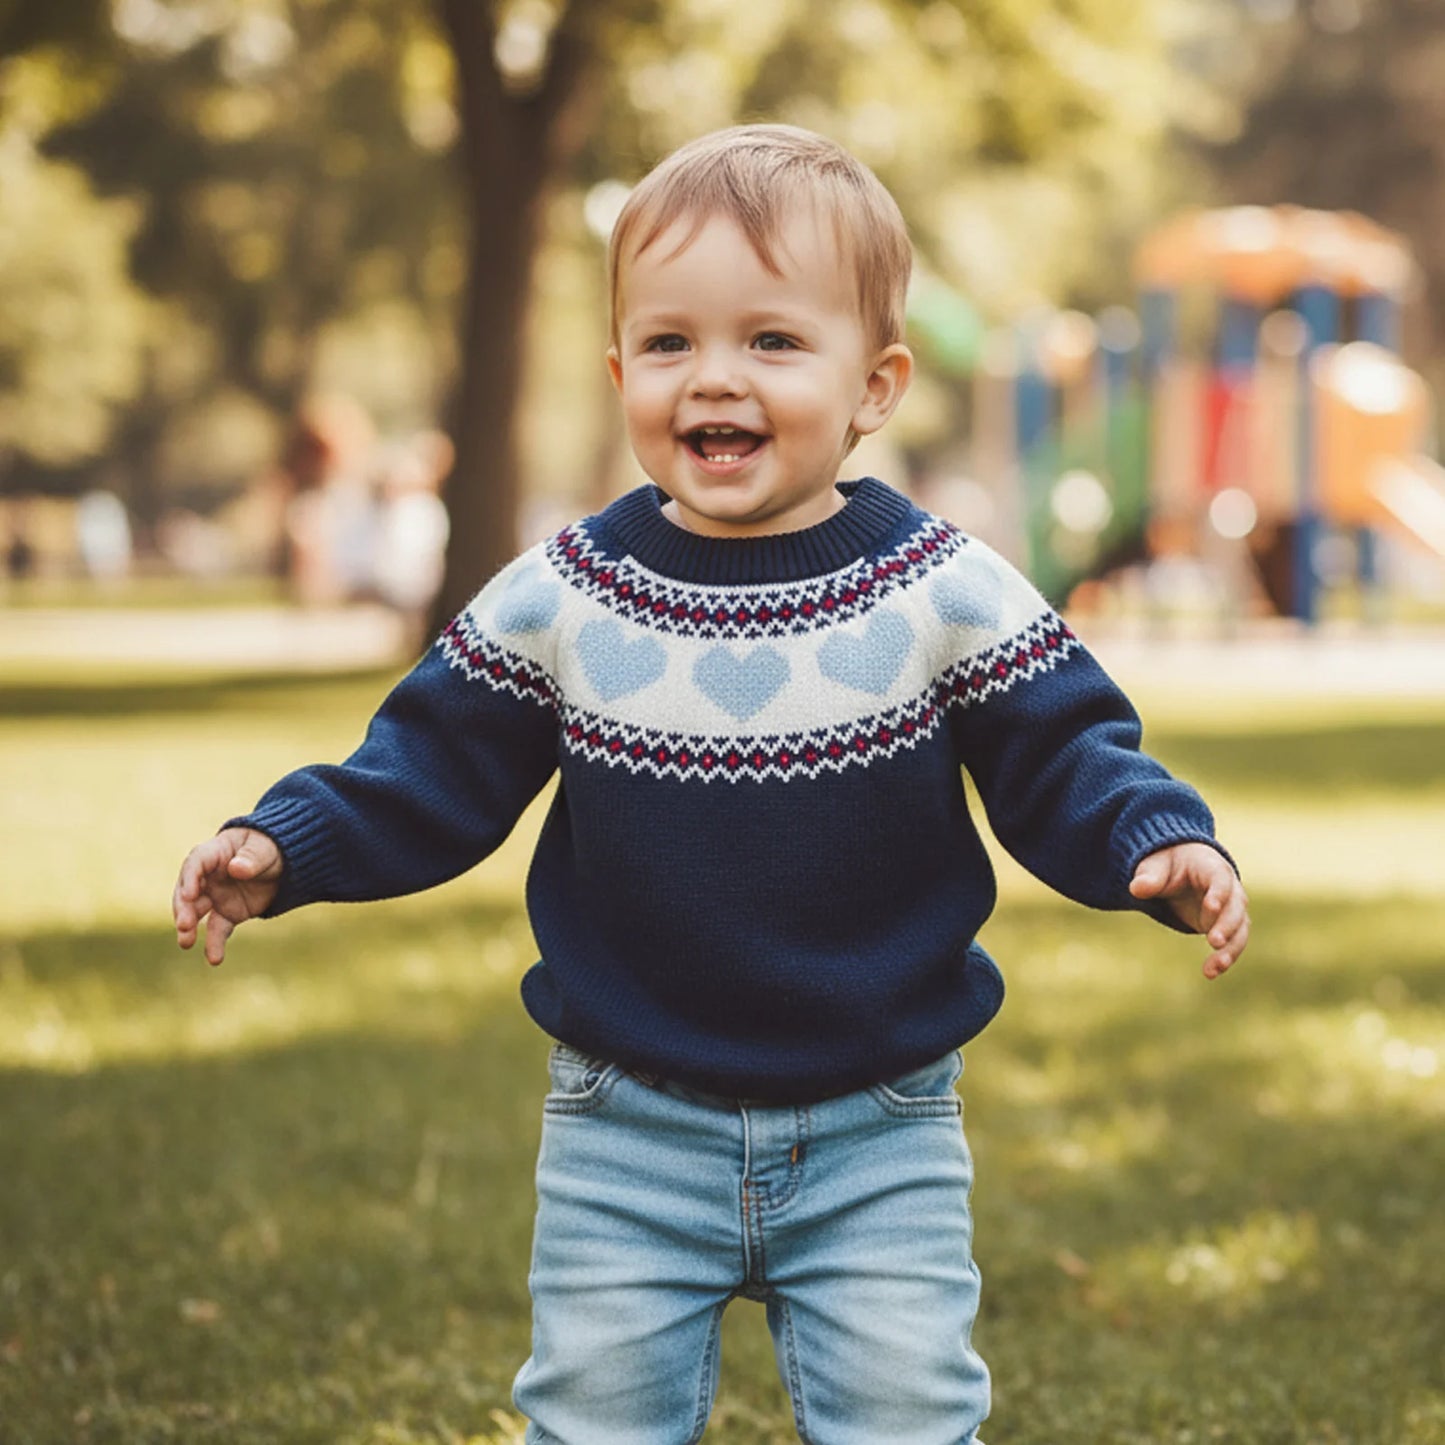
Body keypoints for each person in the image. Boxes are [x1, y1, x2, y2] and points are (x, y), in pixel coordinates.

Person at [173, 124, 1249, 1445]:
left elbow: (1065, 748)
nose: (713, 379)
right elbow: (426, 763)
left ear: (875, 382)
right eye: (670, 343)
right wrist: (287, 843)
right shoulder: (568, 592)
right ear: (622, 369)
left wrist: (1155, 837)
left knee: (908, 1417)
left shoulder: (940, 588)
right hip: (626, 1119)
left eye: (771, 342)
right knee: (593, 1421)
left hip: (879, 1119)